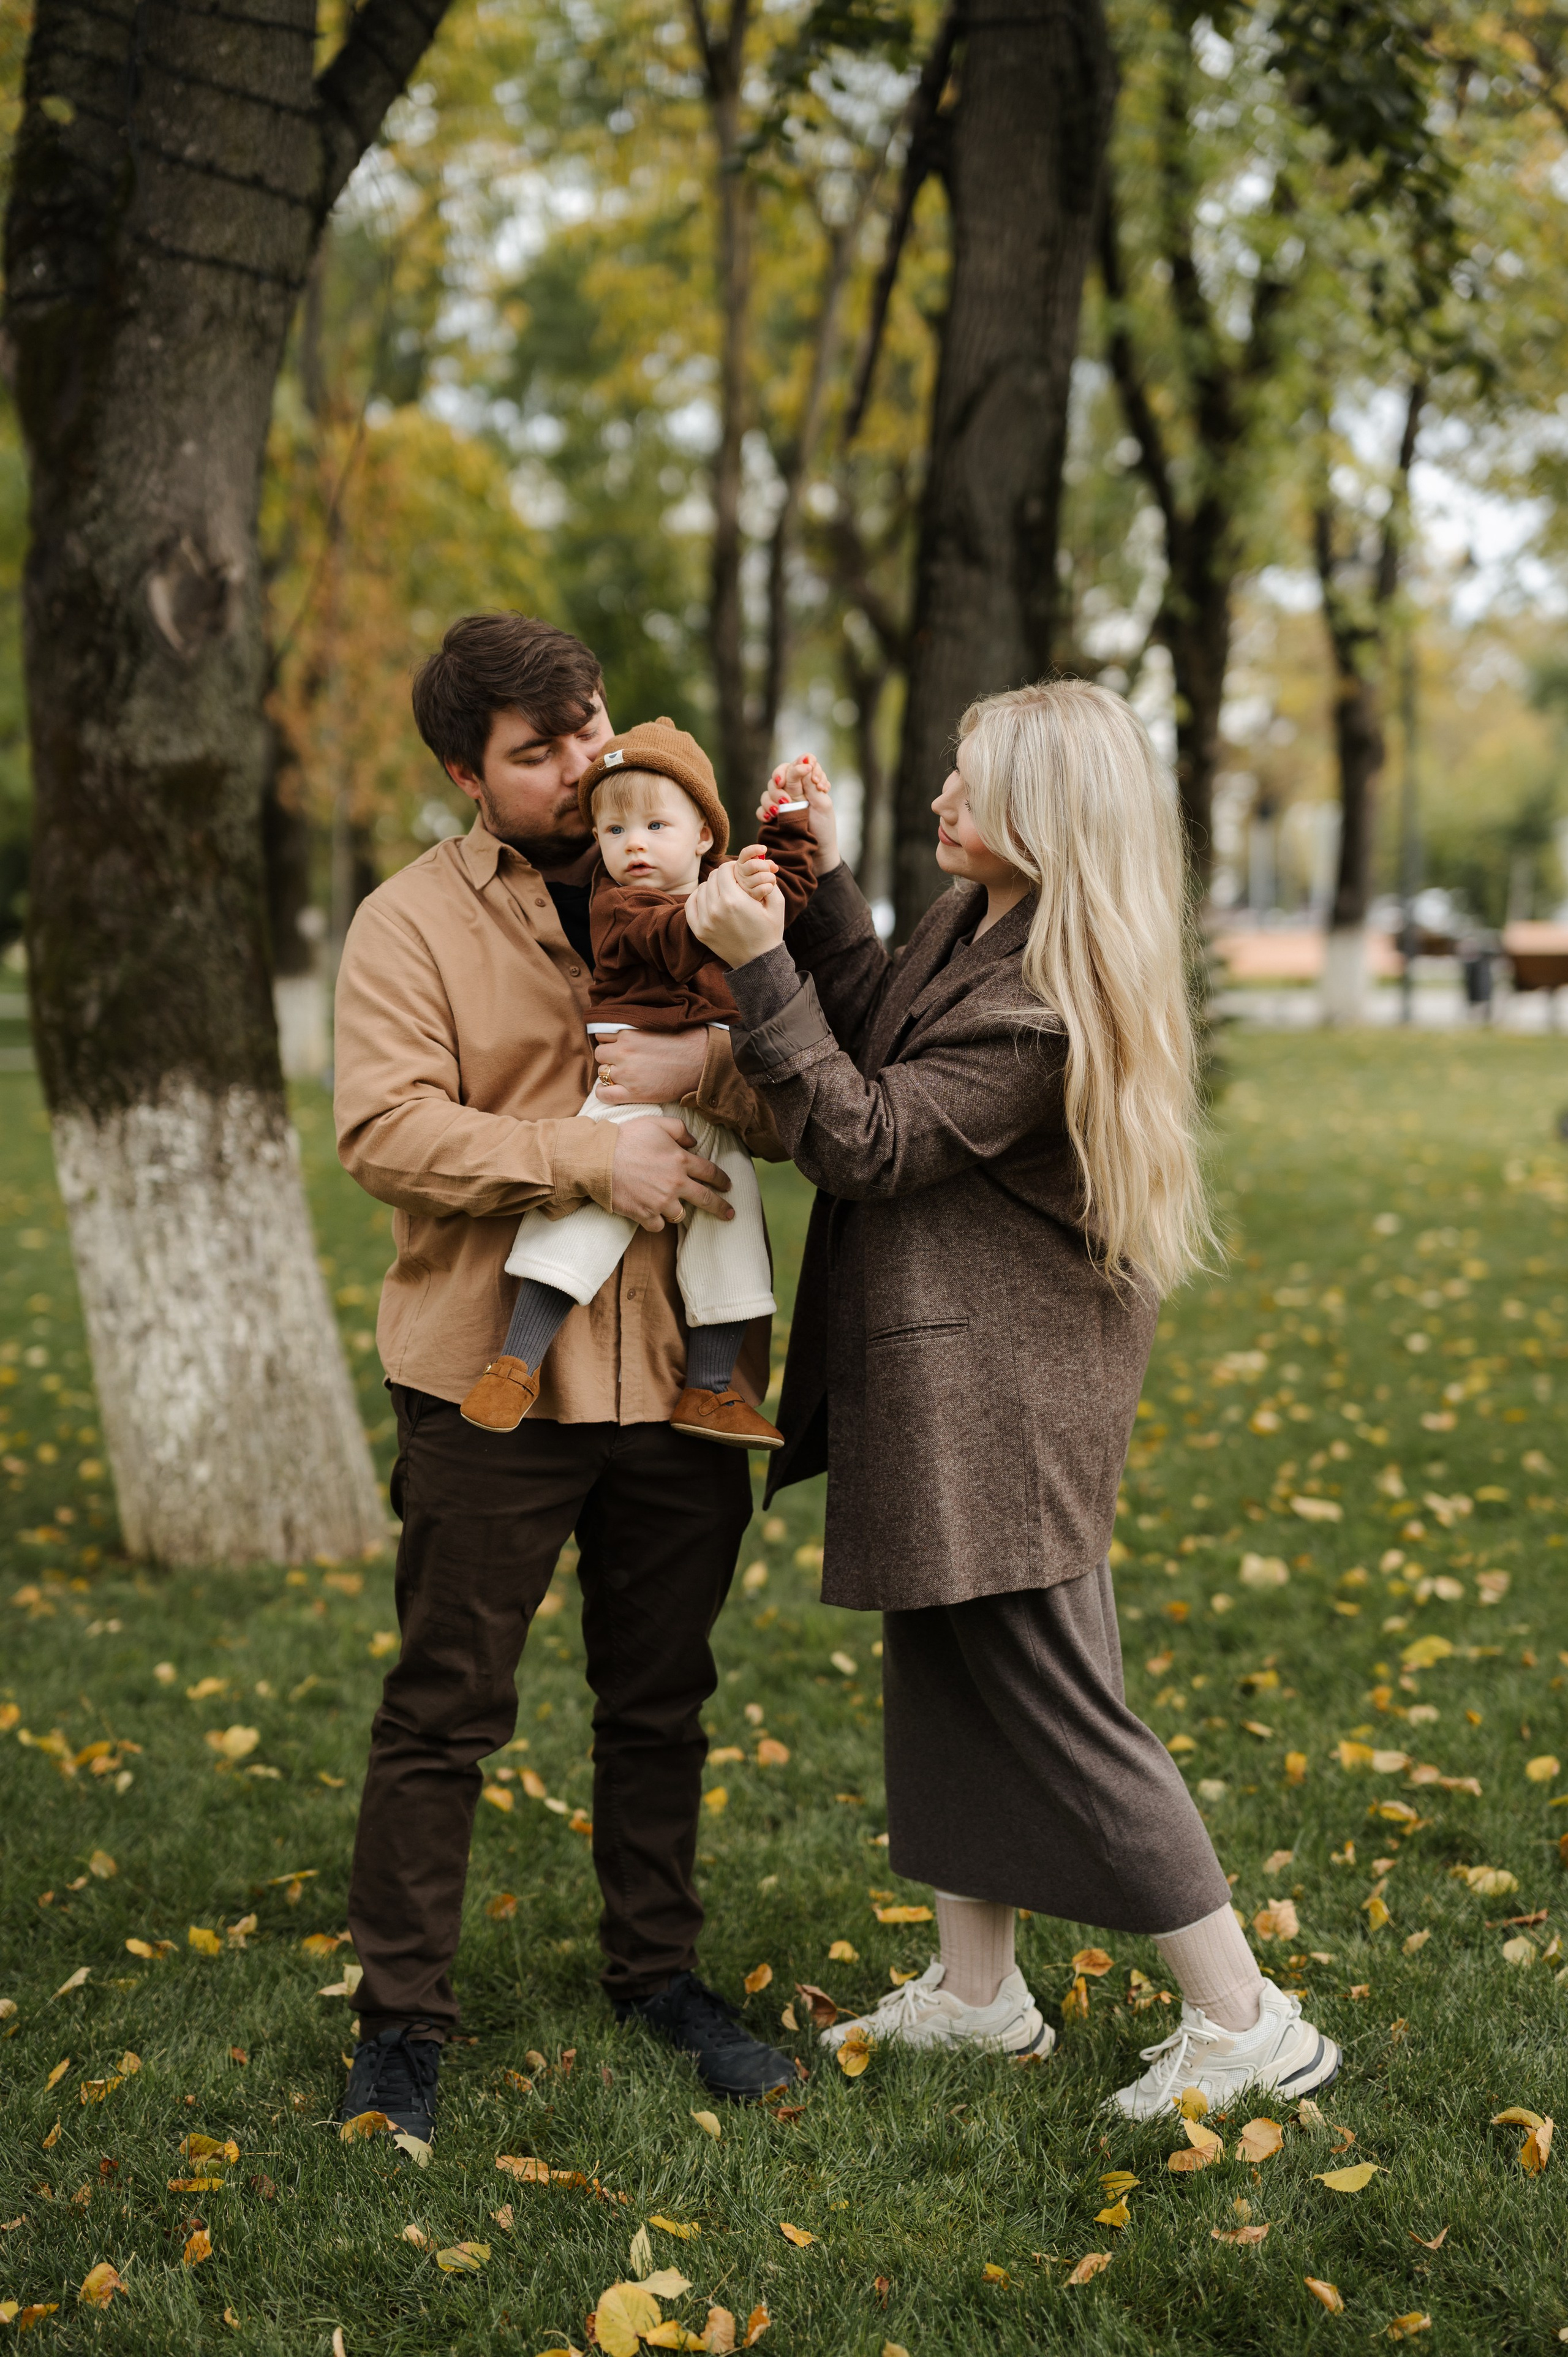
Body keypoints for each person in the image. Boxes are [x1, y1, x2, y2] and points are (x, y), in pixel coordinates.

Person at [684, 679, 1341, 2119]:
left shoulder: (1044, 997)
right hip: (940, 1375)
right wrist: (818, 887)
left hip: (1002, 1398)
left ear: (1043, 819)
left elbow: (862, 1135)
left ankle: (1244, 2017)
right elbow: (876, 1024)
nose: (941, 795)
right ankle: (980, 1993)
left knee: (1056, 1703)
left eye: (968, 783)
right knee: (943, 1678)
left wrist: (748, 967)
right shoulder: (981, 924)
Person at [330, 613, 796, 2144]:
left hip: (681, 1375)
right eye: (543, 751)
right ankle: (401, 2019)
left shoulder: (694, 881)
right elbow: (383, 1131)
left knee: (658, 1698)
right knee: (444, 1705)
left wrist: (704, 1077)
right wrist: (579, 1153)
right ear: (468, 772)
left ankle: (656, 1975)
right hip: (488, 1373)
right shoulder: (407, 922)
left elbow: (787, 1090)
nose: (590, 763)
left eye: (592, 726)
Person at [459, 720, 817, 1452]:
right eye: (614, 828)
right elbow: (673, 941)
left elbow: (792, 890)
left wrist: (791, 821)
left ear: (701, 836)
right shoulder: (619, 907)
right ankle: (516, 1363)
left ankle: (710, 1391)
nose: (635, 845)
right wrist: (728, 908)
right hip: (629, 1089)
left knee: (731, 1219)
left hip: (707, 1092)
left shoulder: (725, 889)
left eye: (656, 824)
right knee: (584, 1221)